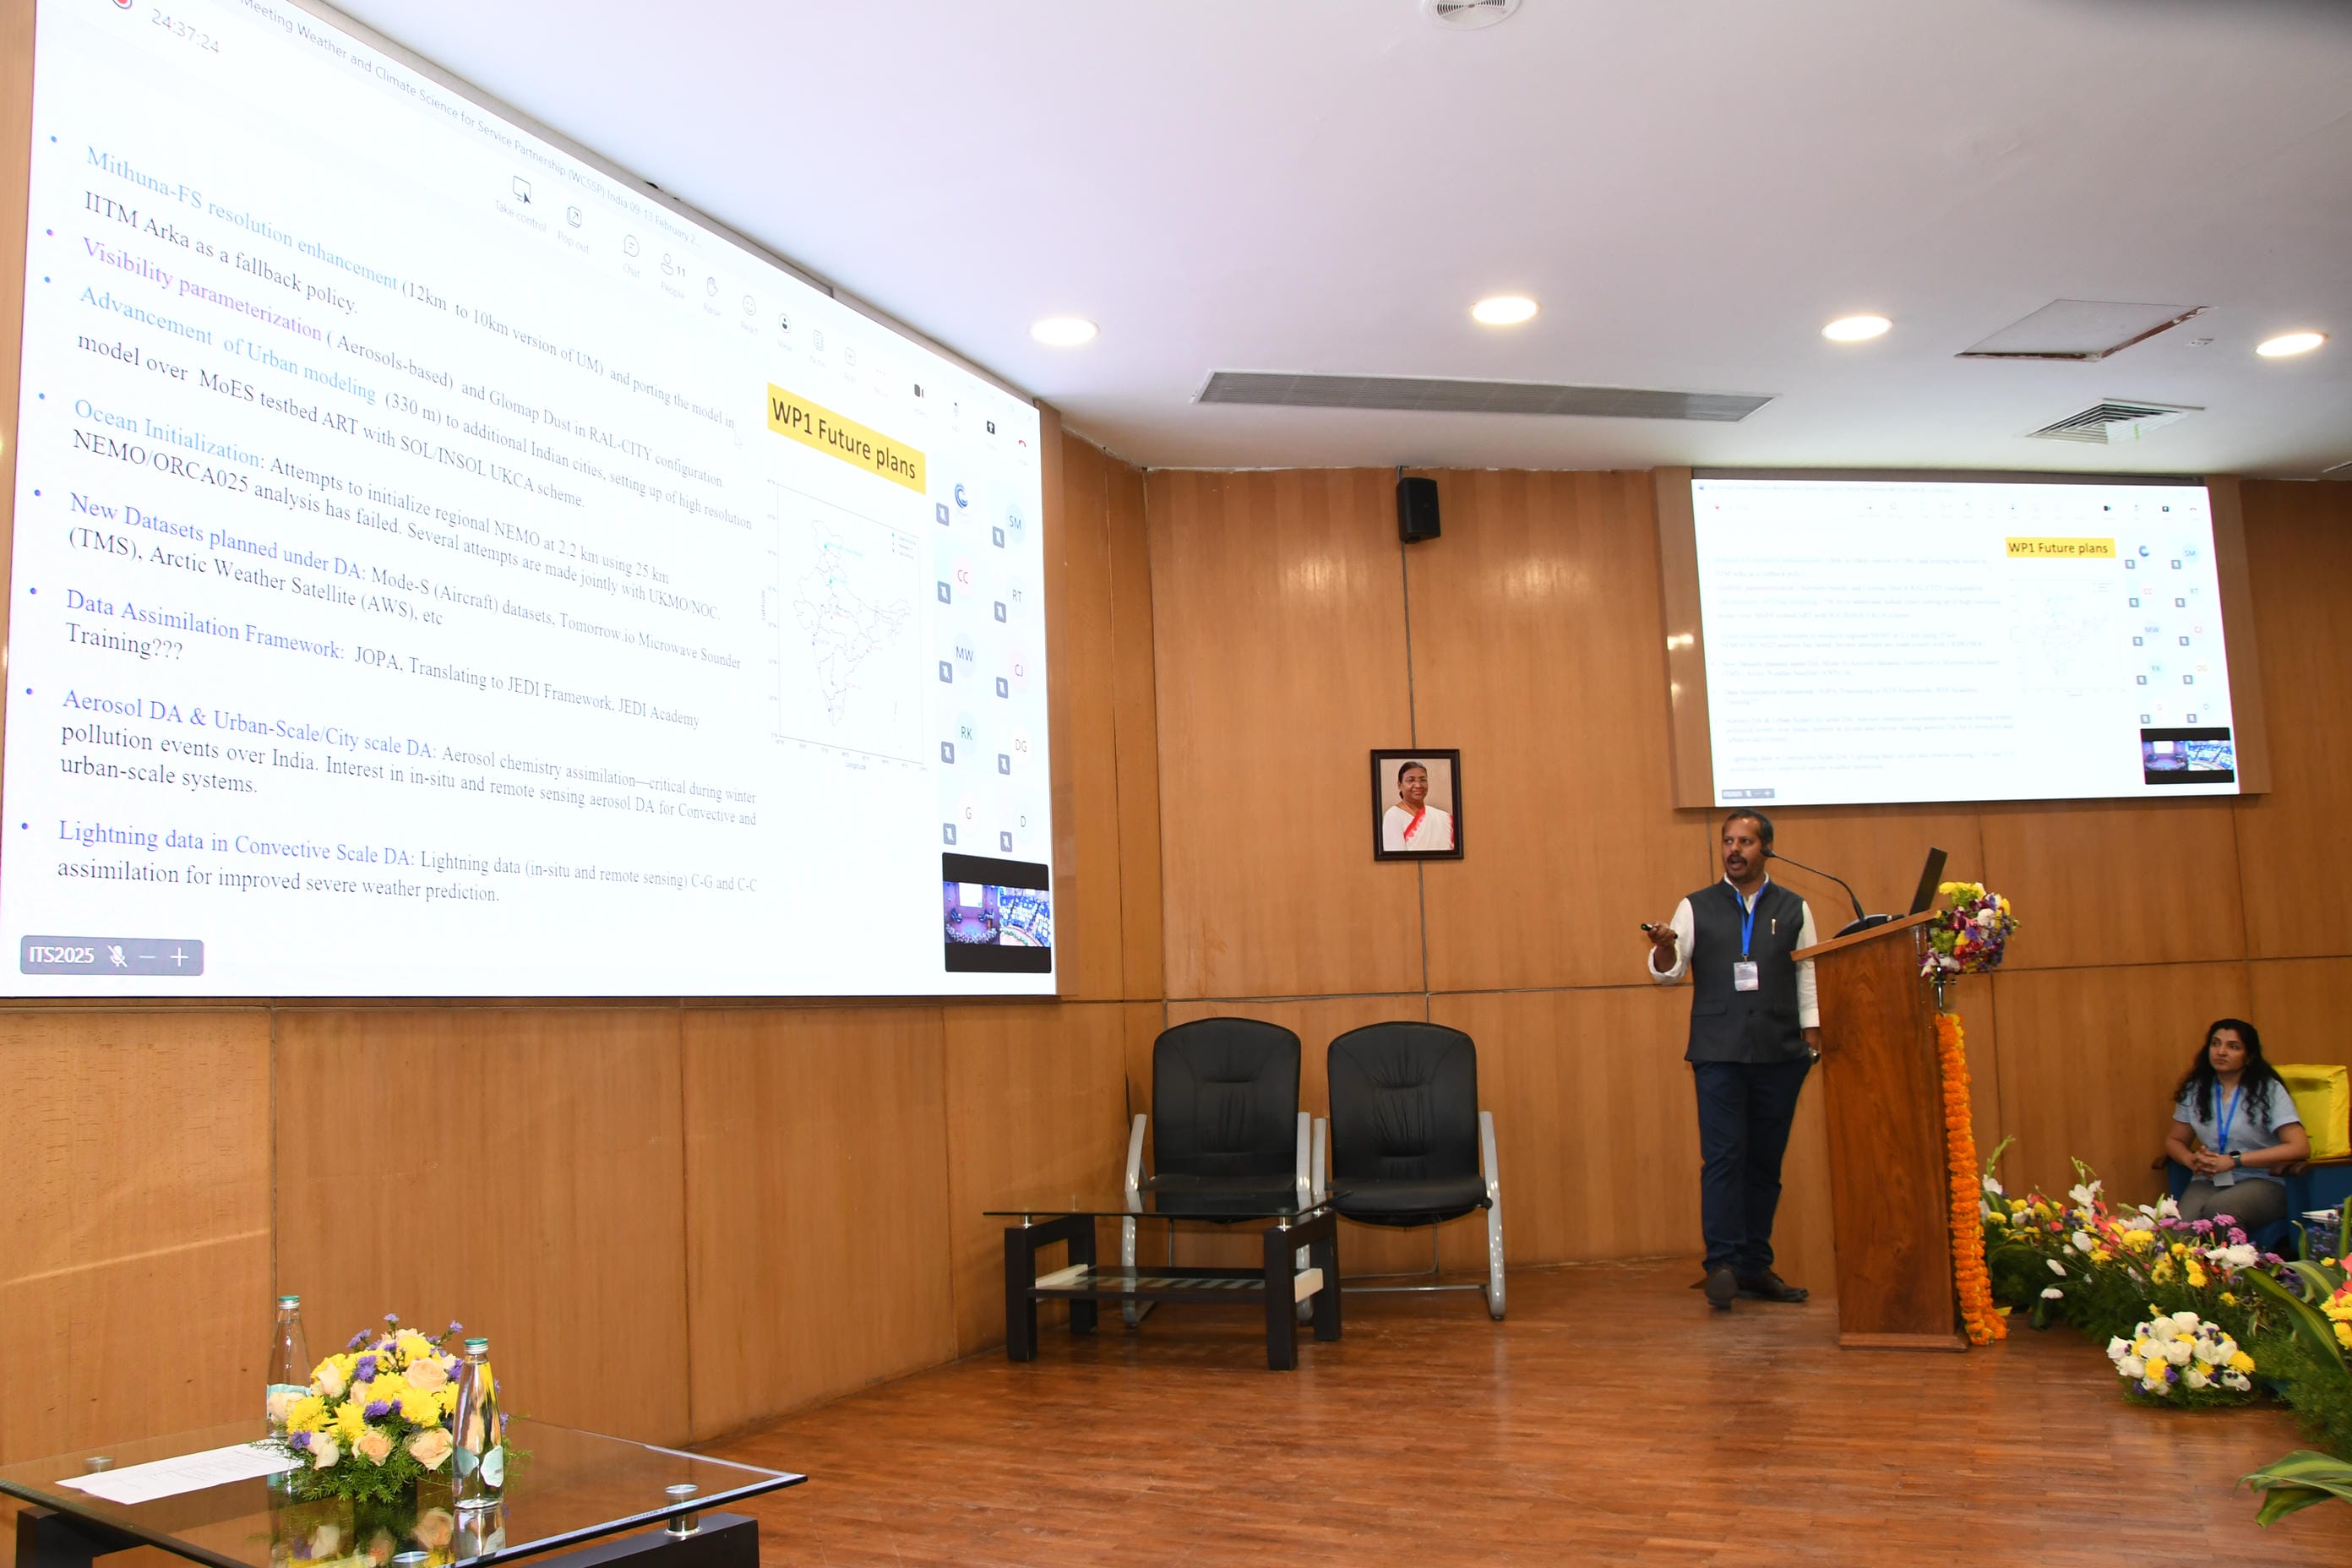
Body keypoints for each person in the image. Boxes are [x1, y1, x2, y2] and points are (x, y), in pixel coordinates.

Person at [1645, 810, 1819, 1311]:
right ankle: (1721, 1263)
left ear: (1767, 849)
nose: (1734, 850)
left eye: (1745, 841)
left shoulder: (1795, 907)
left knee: (1765, 1162)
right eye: (1728, 841)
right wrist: (1664, 948)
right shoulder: (1695, 905)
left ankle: (1754, 1265)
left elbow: (1808, 974)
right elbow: (1668, 971)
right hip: (1718, 1052)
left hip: (1780, 1052)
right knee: (1723, 1158)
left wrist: (1812, 1039)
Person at [2164, 1018, 2307, 1228]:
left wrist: (2235, 1161)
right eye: (2216, 1044)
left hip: (2263, 1180)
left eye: (2233, 1047)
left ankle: (2238, 1253)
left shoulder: (2268, 1090)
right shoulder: (2195, 1089)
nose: (2221, 1052)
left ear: (2249, 1057)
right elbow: (2175, 1140)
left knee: (2221, 1211)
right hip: (2210, 1179)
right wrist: (2191, 1160)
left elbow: (2299, 1147)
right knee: (2178, 1229)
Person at [1381, 761, 1454, 852]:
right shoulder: (1393, 815)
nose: (1418, 785)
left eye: (1423, 780)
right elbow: (1396, 857)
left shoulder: (1442, 818)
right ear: (1399, 785)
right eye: (1411, 780)